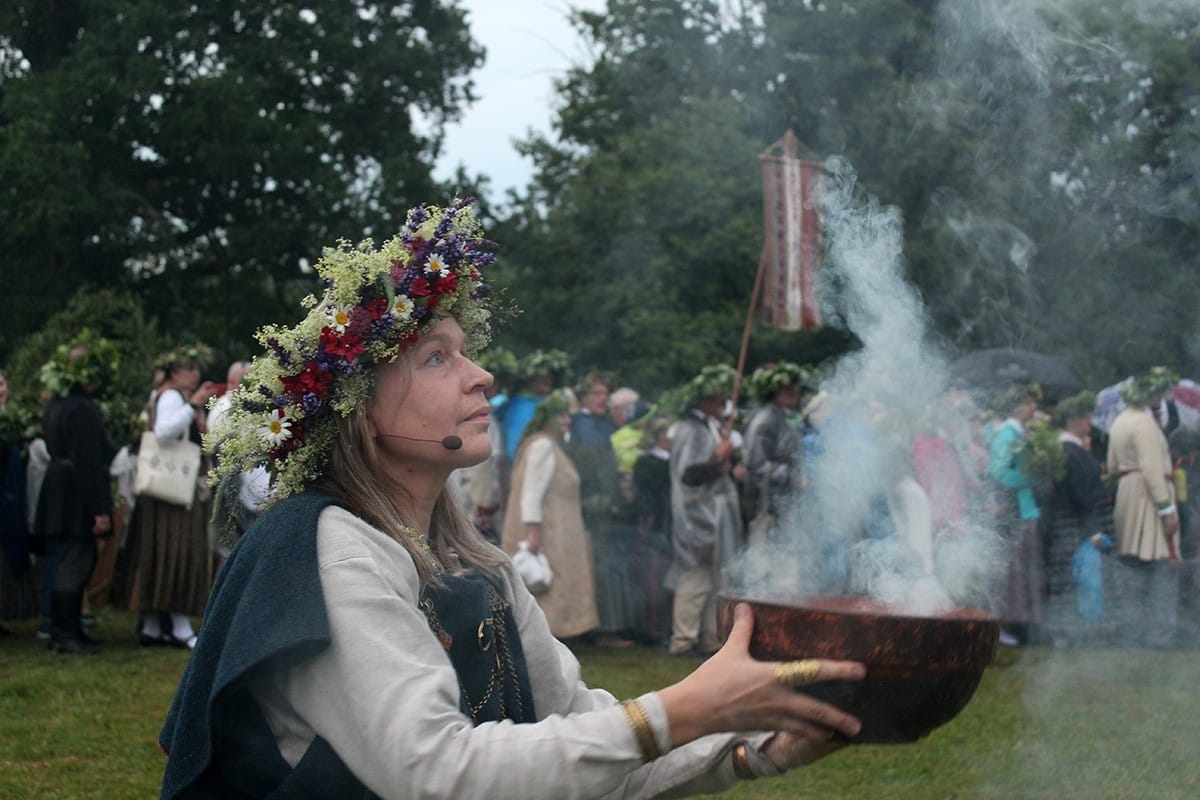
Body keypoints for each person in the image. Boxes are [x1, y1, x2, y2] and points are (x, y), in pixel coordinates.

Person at [159, 200, 865, 799]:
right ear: (359, 410)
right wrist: (681, 708)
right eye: (438, 357)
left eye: (466, 351)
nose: (483, 376)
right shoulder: (328, 547)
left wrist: (752, 748)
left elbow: (594, 752)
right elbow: (437, 773)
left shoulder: (477, 563)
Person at [123, 346, 218, 649]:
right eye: (189, 368)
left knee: (156, 550)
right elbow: (164, 432)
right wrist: (192, 406)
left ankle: (152, 626)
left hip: (160, 491)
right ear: (175, 372)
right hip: (172, 492)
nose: (195, 374)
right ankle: (177, 625)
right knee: (178, 549)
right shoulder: (172, 397)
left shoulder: (160, 395)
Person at [32, 335, 117, 653]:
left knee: (69, 557)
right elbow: (86, 462)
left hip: (59, 485)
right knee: (76, 559)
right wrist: (98, 509)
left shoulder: (56, 402)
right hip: (73, 491)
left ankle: (63, 629)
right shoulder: (81, 408)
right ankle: (64, 633)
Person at [500, 390, 599, 641]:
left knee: (554, 584)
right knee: (548, 583)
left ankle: (556, 636)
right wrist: (534, 534)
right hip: (550, 530)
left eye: (568, 415)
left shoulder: (549, 445)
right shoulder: (542, 445)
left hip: (561, 528)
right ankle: (547, 637)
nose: (567, 420)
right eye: (561, 416)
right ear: (547, 418)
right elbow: (532, 493)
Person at [667, 365, 744, 658]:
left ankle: (709, 637)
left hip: (712, 514)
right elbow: (690, 474)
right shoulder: (692, 430)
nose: (721, 401)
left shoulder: (707, 426)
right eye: (715, 397)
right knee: (695, 577)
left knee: (713, 578)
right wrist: (718, 461)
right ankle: (684, 639)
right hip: (696, 515)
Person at [1107, 368, 1182, 649]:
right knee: (1163, 566)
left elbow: (1113, 467)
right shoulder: (1144, 424)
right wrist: (1166, 509)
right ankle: (1160, 635)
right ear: (1149, 394)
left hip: (1127, 493)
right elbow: (1151, 468)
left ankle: (1131, 632)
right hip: (1147, 497)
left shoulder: (1119, 421)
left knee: (1132, 569)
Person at [569, 371, 636, 647]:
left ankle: (614, 626)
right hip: (594, 505)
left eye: (605, 394)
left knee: (611, 564)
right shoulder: (581, 426)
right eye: (596, 393)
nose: (602, 398)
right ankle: (605, 629)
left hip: (610, 504)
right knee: (602, 565)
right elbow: (587, 469)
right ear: (584, 396)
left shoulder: (600, 424)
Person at [1041, 391, 1111, 646]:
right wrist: (1093, 530)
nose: (1090, 424)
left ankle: (1066, 632)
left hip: (1066, 521)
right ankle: (1064, 634)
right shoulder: (1069, 451)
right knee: (1068, 577)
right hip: (1070, 522)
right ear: (1075, 420)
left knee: (1067, 576)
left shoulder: (1071, 449)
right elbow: (1080, 493)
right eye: (1087, 418)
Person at [985, 383, 1044, 646]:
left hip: (1025, 506)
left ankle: (1024, 623)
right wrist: (1027, 475)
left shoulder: (1021, 433)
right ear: (1017, 406)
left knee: (1024, 567)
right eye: (1030, 402)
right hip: (1014, 510)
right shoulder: (1007, 434)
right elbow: (996, 470)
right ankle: (1007, 625)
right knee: (1013, 570)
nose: (1034, 407)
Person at [742, 362, 812, 544]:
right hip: (768, 505)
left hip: (788, 502)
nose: (793, 392)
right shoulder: (764, 421)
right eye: (786, 388)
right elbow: (756, 465)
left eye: (795, 387)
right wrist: (792, 476)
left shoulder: (786, 418)